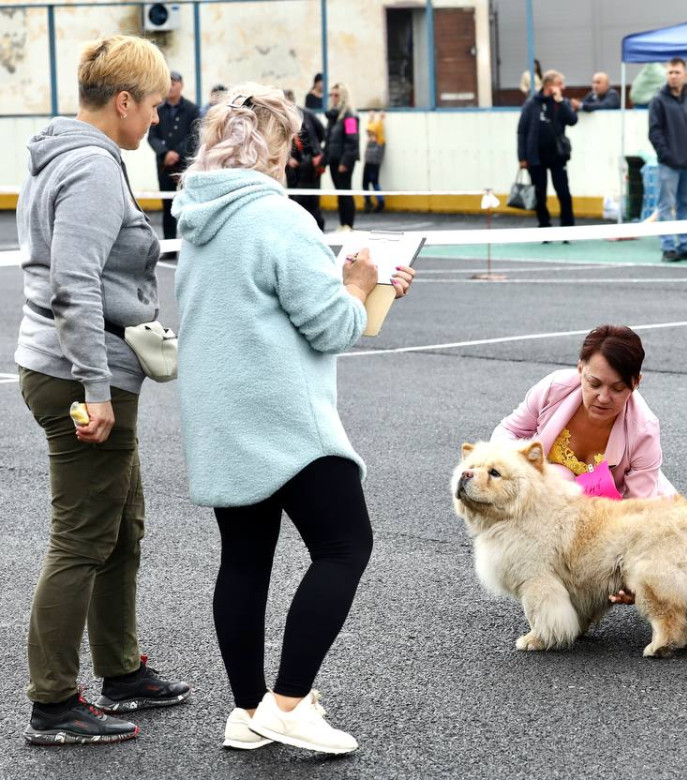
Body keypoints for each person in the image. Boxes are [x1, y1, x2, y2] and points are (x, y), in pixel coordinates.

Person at [174, 83, 415, 754]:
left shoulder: (199, 215)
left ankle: (248, 709)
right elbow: (332, 324)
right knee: (345, 546)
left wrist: (346, 282)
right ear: (274, 144)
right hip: (283, 414)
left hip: (219, 413)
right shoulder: (280, 218)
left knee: (244, 562)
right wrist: (361, 285)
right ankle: (288, 702)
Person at [16, 34, 192, 747]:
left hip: (83, 371)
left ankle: (120, 671)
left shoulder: (69, 154)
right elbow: (74, 284)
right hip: (78, 377)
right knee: (82, 541)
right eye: (151, 105)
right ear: (123, 101)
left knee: (122, 530)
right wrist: (96, 387)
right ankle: (53, 704)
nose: (155, 118)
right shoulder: (91, 167)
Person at [492, 325, 674, 501]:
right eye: (594, 384)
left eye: (618, 389)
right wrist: (520, 467)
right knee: (559, 477)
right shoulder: (553, 389)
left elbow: (639, 507)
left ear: (636, 382)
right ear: (580, 370)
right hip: (548, 497)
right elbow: (507, 431)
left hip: (614, 508)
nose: (603, 398)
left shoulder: (644, 429)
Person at [648, 58, 687, 262]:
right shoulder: (658, 100)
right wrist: (667, 155)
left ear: (685, 75)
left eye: (677, 72)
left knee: (686, 205)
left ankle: (684, 245)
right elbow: (654, 132)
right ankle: (668, 247)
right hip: (669, 165)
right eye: (670, 72)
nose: (673, 76)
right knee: (666, 205)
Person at [517, 69, 577, 231]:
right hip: (536, 156)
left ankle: (568, 225)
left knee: (563, 192)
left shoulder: (561, 103)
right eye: (559, 84)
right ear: (549, 85)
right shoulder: (531, 104)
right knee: (539, 194)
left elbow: (572, 120)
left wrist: (561, 101)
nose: (562, 87)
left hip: (557, 155)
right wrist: (522, 157)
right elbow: (522, 130)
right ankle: (544, 224)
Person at [146, 70, 199, 240]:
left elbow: (195, 135)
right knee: (167, 204)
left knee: (187, 203)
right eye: (168, 83)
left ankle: (188, 241)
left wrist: (177, 153)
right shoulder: (158, 109)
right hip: (164, 165)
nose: (171, 87)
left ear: (181, 86)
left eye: (174, 83)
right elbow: (152, 136)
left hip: (184, 165)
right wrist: (165, 153)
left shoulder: (192, 109)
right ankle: (169, 244)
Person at [283, 88, 326, 230]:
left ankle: (317, 228)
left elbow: (321, 132)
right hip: (292, 165)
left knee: (312, 199)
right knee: (294, 199)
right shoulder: (281, 118)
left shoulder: (306, 115)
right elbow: (279, 142)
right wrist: (288, 158)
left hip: (310, 164)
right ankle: (298, 229)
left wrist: (316, 154)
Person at [323, 82, 359, 231]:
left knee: (346, 191)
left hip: (344, 161)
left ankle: (348, 224)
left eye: (336, 95)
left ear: (343, 96)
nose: (333, 98)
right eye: (331, 95)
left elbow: (353, 141)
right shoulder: (333, 116)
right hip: (333, 160)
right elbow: (329, 139)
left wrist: (345, 162)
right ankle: (342, 223)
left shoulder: (350, 117)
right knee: (339, 192)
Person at [363, 109, 386, 213]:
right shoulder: (369, 141)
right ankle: (367, 201)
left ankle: (381, 202)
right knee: (365, 184)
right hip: (368, 164)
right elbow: (370, 127)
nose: (370, 136)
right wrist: (371, 118)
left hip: (374, 165)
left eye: (372, 134)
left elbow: (378, 129)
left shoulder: (380, 141)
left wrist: (380, 118)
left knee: (374, 183)